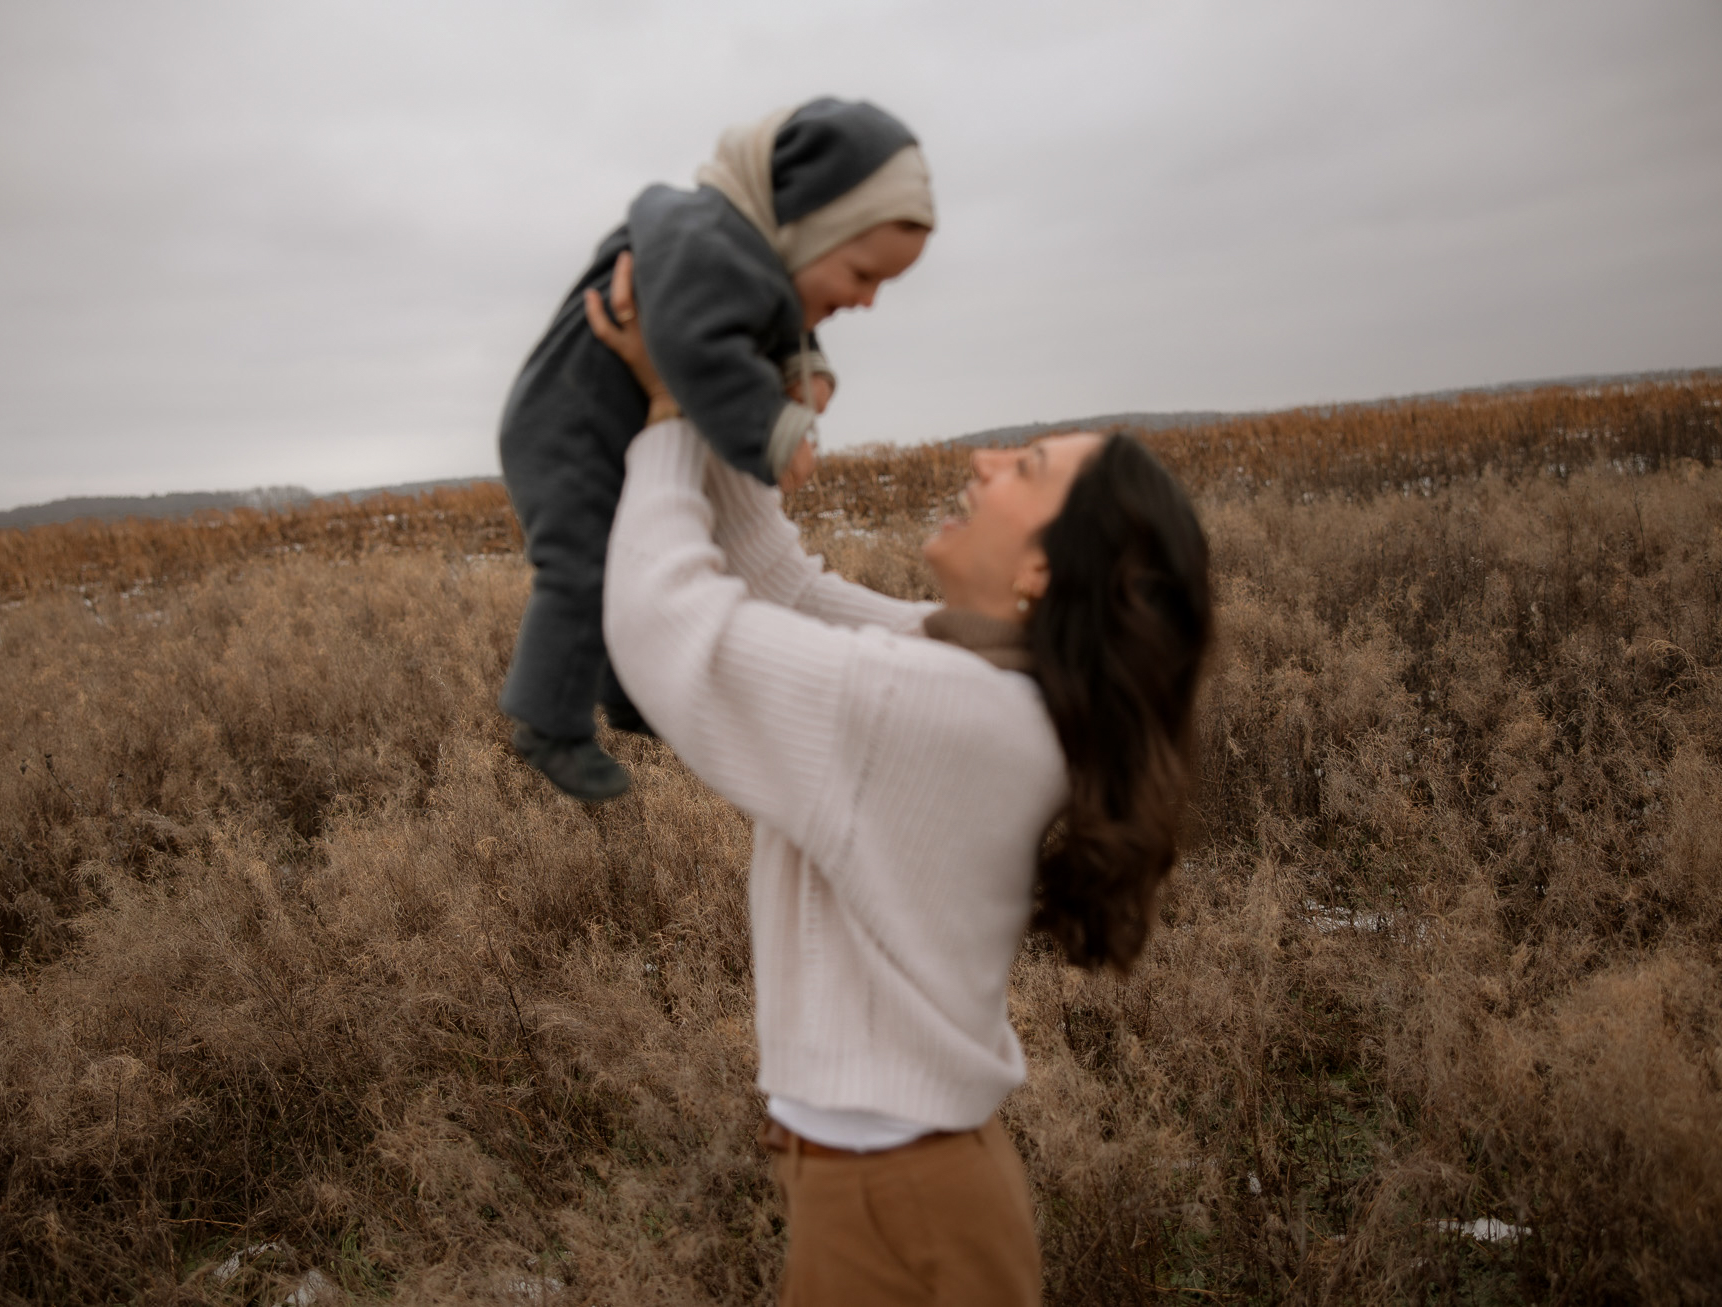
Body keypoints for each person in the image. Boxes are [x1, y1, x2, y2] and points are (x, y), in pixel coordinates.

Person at [586, 255, 1214, 1305]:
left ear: (1040, 575)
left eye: (1027, 468)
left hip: (894, 1201)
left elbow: (667, 630)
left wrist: (667, 413)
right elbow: (783, 584)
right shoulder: (992, 681)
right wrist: (745, 421)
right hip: (895, 1186)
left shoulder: (945, 711)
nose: (982, 459)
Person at [497, 97, 935, 802]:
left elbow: (761, 315)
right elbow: (697, 345)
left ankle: (634, 690)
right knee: (581, 567)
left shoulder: (744, 257)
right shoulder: (704, 241)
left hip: (606, 427)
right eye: (862, 275)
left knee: (621, 565)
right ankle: (548, 721)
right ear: (805, 230)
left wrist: (803, 369)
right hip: (567, 431)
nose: (869, 300)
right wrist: (772, 428)